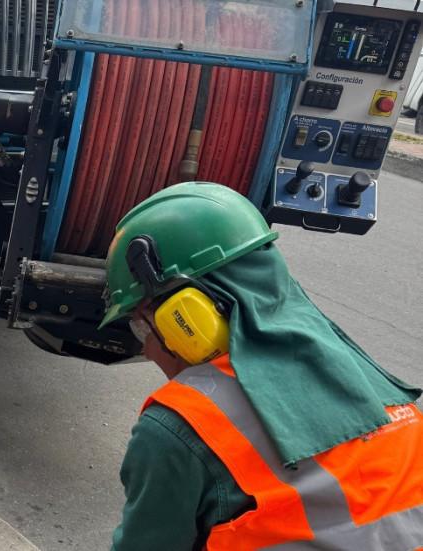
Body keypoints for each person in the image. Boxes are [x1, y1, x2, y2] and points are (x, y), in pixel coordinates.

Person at [100, 182, 423, 550]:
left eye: (141, 326)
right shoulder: (377, 385)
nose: (148, 349)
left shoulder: (179, 428)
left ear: (185, 317)